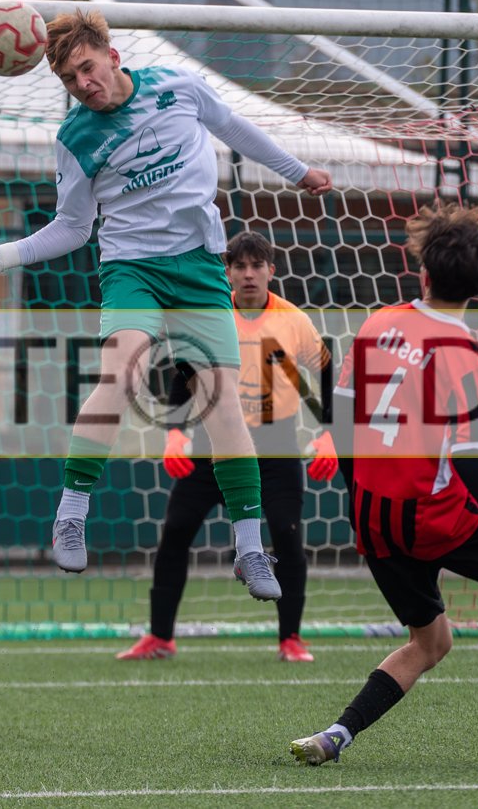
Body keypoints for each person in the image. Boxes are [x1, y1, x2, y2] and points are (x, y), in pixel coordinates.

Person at [0, 9, 333, 601]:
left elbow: (234, 128)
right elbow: (73, 227)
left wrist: (298, 172)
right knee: (122, 373)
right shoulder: (75, 138)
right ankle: (70, 513)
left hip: (200, 266)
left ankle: (248, 548)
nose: (83, 84)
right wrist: (7, 254)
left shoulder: (178, 87)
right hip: (131, 268)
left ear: (112, 56)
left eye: (88, 68)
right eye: (69, 79)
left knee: (223, 403)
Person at [289, 201, 478, 768]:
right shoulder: (468, 355)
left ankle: (335, 735)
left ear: (423, 273)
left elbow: (343, 423)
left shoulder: (377, 324)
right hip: (432, 515)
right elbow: (471, 463)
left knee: (432, 642)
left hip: (373, 516)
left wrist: (357, 501)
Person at [116, 230, 337, 663]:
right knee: (175, 533)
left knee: (287, 536)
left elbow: (328, 372)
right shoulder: (211, 316)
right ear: (228, 273)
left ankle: (290, 638)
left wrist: (330, 432)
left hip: (276, 447)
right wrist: (175, 433)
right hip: (211, 444)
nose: (249, 274)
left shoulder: (294, 320)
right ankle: (160, 637)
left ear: (271, 271)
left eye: (257, 266)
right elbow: (184, 373)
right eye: (239, 266)